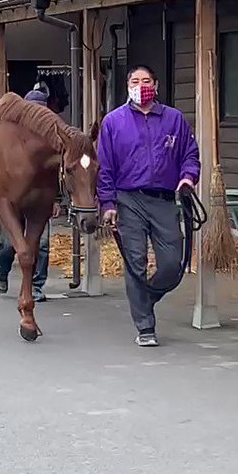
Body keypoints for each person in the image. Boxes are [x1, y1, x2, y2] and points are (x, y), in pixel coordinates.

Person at [97, 65, 200, 347]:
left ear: (156, 84)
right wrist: (108, 203)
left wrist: (187, 178)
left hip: (165, 199)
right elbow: (105, 167)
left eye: (145, 80)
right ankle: (145, 326)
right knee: (135, 263)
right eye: (134, 80)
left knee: (172, 264)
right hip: (128, 199)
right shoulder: (113, 122)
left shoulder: (174, 120)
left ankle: (146, 298)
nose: (140, 85)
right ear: (127, 86)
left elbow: (190, 155)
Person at [0, 88, 60, 302]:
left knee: (41, 244)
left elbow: (58, 170)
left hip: (39, 198)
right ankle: (0, 271)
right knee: (10, 243)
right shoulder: (12, 136)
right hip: (12, 199)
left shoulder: (51, 135)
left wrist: (56, 200)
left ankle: (36, 286)